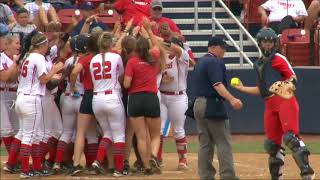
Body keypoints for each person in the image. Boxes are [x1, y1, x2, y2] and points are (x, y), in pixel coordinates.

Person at [233, 28, 315, 180]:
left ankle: (307, 173)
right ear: (259, 43)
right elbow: (262, 90)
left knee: (291, 138)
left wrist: (284, 86)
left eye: (270, 42)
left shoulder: (278, 58)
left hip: (284, 100)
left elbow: (293, 78)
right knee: (272, 145)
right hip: (270, 104)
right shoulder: (257, 64)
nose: (268, 45)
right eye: (265, 42)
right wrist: (241, 88)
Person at [6, 33, 64, 178]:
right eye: (46, 45)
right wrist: (55, 70)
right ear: (42, 45)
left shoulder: (27, 56)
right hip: (32, 99)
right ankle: (26, 170)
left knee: (27, 134)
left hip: (21, 98)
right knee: (30, 136)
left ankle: (33, 167)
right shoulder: (38, 57)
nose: (47, 48)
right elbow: (44, 80)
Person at [192, 36, 242, 180]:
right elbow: (217, 85)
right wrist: (232, 99)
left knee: (205, 142)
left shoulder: (200, 61)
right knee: (223, 141)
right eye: (222, 47)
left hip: (198, 104)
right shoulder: (214, 61)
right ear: (213, 47)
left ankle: (206, 176)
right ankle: (228, 176)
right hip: (212, 104)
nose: (224, 51)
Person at [123, 18, 165, 175]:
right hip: (151, 97)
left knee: (140, 136)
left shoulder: (132, 61)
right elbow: (157, 46)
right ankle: (154, 155)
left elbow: (126, 84)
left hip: (135, 99)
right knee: (155, 135)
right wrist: (148, 30)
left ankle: (147, 167)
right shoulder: (153, 57)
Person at [89, 32, 126, 177]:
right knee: (119, 135)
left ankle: (98, 160)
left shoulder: (93, 59)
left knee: (108, 133)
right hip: (112, 97)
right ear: (110, 44)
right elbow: (121, 77)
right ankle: (118, 169)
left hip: (97, 99)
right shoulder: (116, 57)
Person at [157, 36, 190, 170]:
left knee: (178, 129)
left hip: (178, 97)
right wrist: (162, 79)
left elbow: (175, 48)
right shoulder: (161, 57)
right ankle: (157, 158)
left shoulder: (183, 56)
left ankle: (183, 160)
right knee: (158, 129)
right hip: (162, 95)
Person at [0, 34, 20, 156]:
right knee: (6, 130)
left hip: (14, 95)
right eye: (16, 43)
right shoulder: (1, 58)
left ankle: (14, 161)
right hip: (2, 94)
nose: (19, 45)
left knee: (16, 130)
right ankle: (14, 161)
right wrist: (15, 64)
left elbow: (12, 79)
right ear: (7, 44)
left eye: (19, 43)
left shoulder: (16, 58)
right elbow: (5, 78)